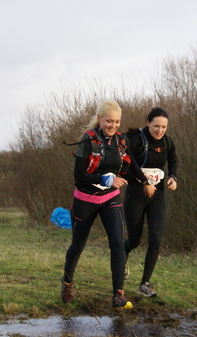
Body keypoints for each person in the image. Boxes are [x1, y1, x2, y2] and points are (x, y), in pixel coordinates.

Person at [60, 100, 155, 309]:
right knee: (78, 245)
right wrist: (106, 180)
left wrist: (145, 182)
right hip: (85, 200)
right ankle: (67, 284)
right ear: (100, 119)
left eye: (117, 122)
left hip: (110, 199)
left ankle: (118, 295)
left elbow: (131, 165)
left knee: (117, 244)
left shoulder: (121, 141)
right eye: (109, 121)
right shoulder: (87, 141)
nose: (113, 125)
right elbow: (79, 176)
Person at [124, 107, 178, 298]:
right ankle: (122, 256)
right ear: (148, 123)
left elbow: (173, 161)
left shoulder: (167, 142)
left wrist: (173, 177)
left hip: (157, 196)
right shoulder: (137, 140)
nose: (160, 130)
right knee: (135, 240)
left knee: (156, 239)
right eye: (156, 126)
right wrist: (144, 182)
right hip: (136, 194)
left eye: (163, 127)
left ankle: (144, 284)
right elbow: (127, 164)